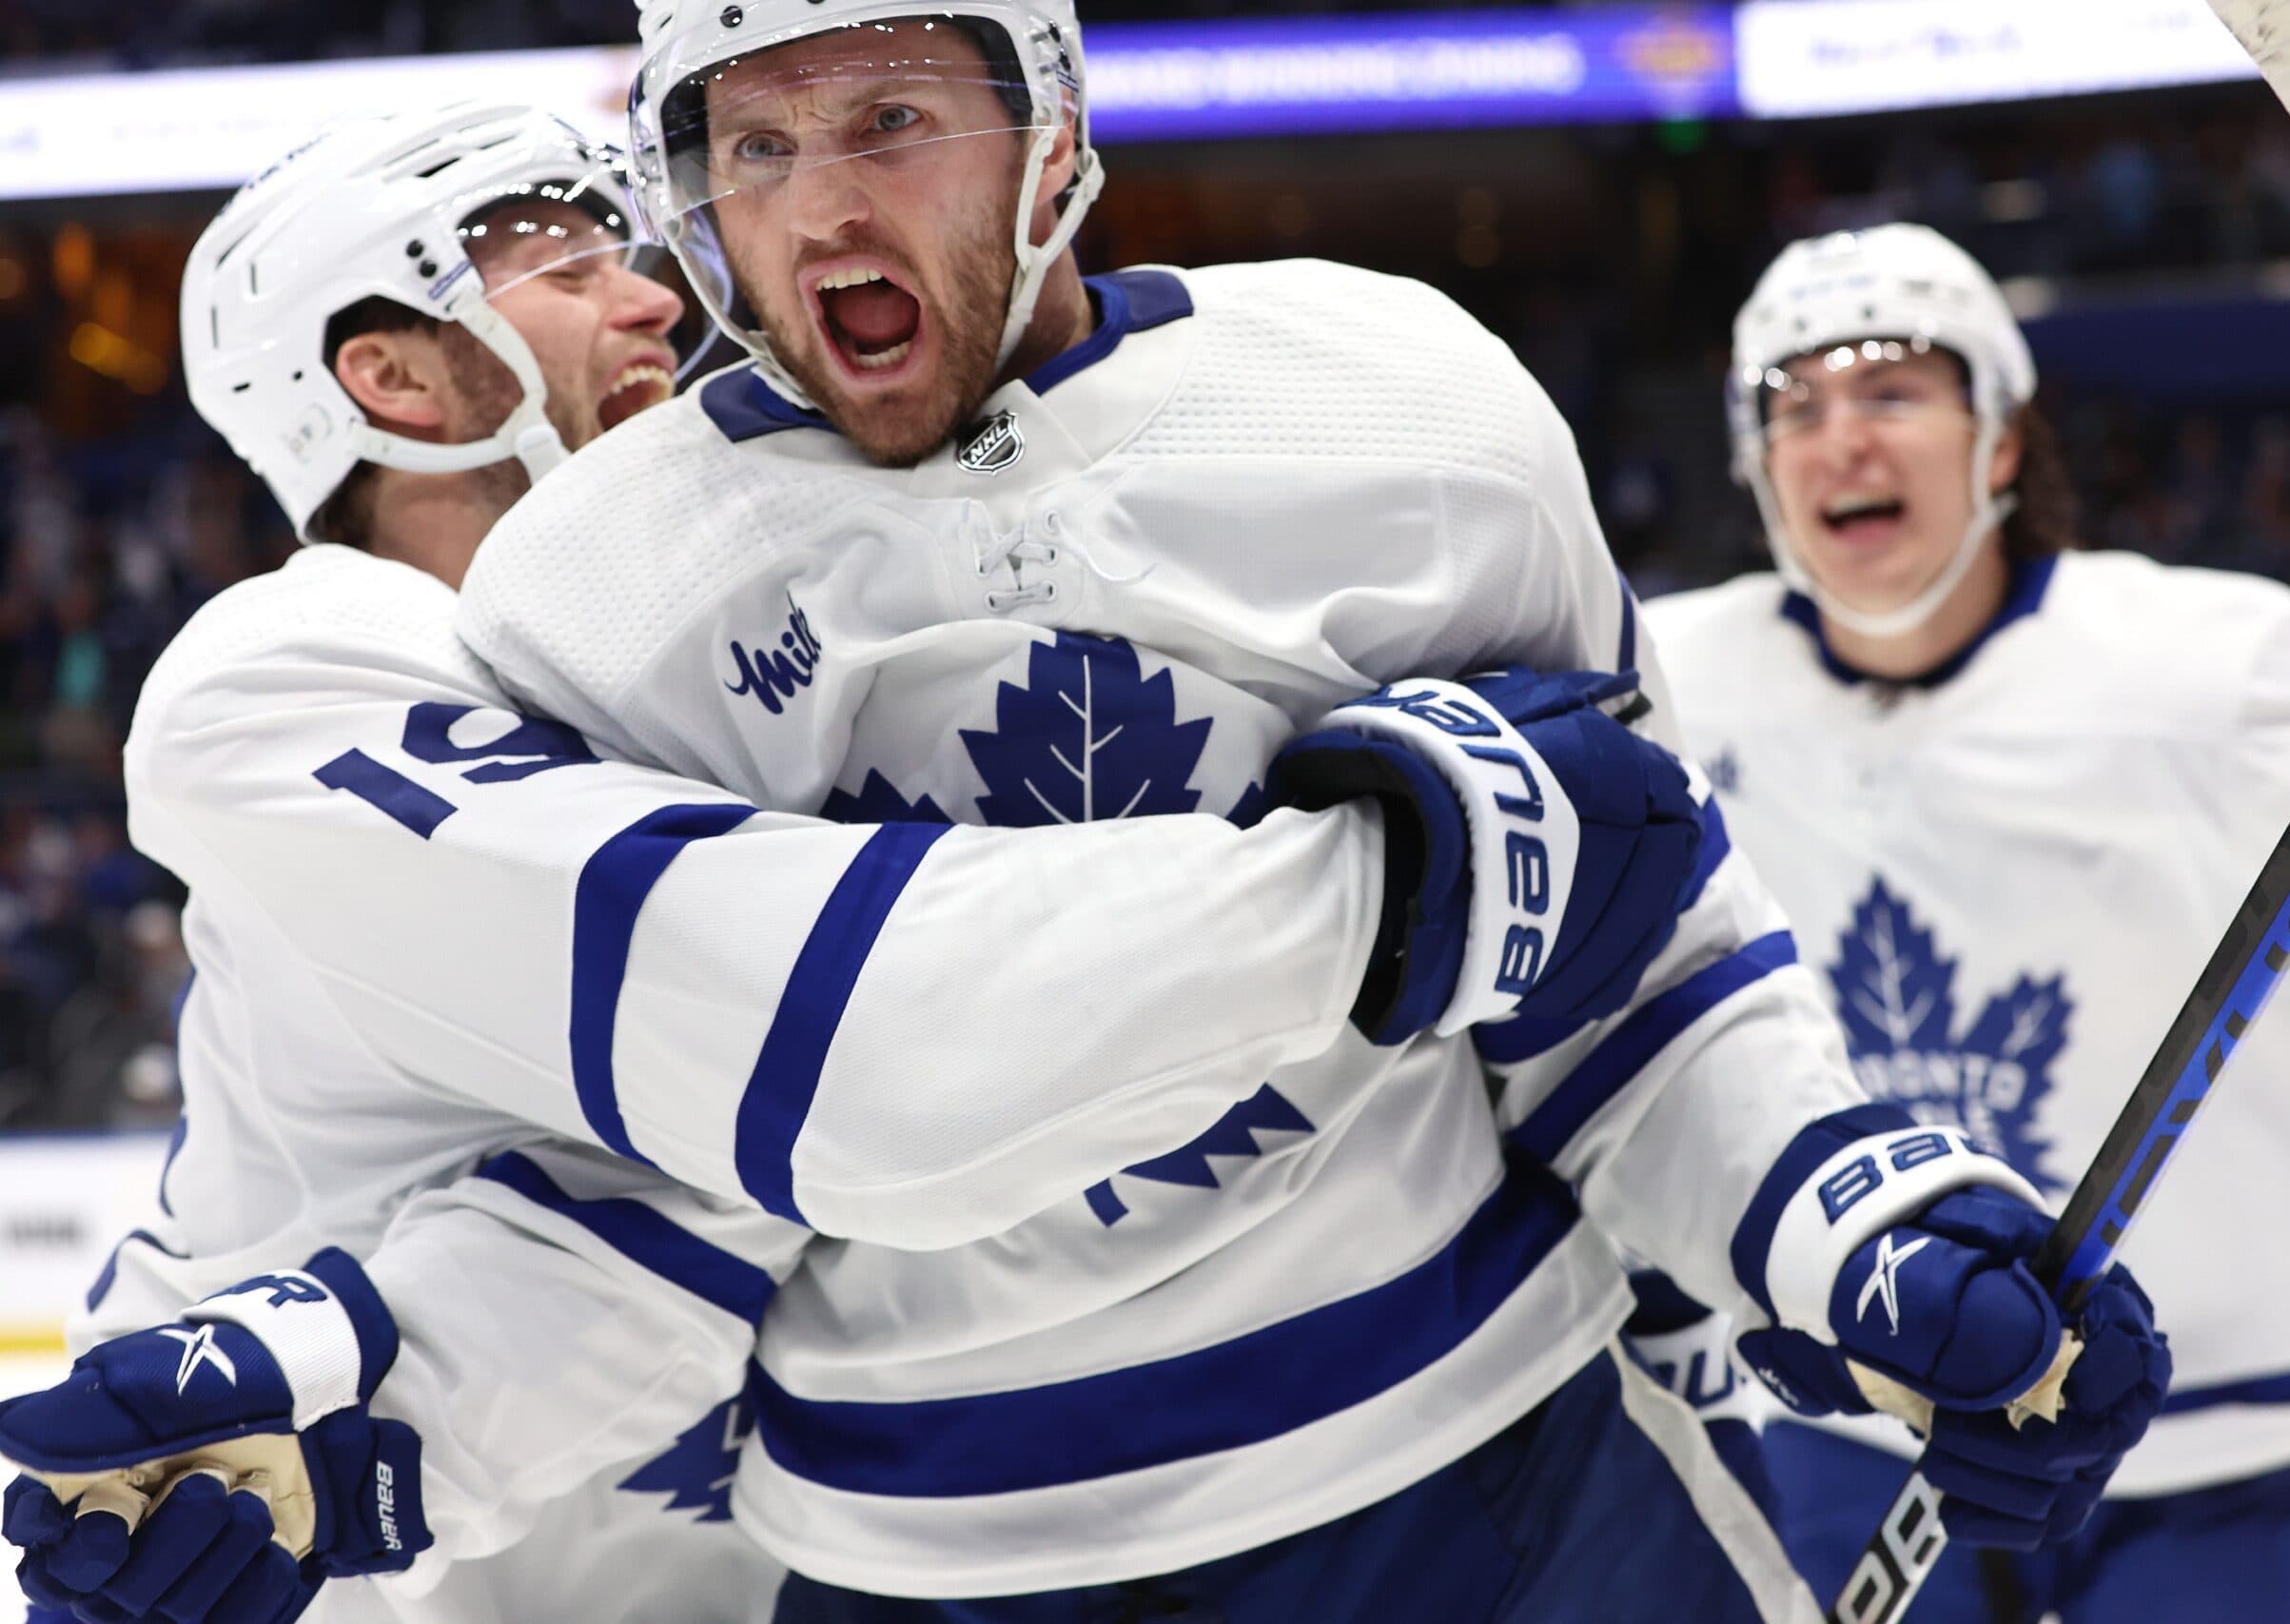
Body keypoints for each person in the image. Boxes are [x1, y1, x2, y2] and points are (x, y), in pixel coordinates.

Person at [8, 27, 2167, 1624]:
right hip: (926, 1570)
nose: (814, 211)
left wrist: (1831, 1214)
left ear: (1050, 127)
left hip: (1493, 1481)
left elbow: (1638, 967)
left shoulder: (1397, 400)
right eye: (749, 145)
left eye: (887, 121)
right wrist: (383, 1426)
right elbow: (660, 1203)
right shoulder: (591, 599)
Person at [0, 97, 1451, 1624]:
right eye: (561, 273)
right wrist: (1410, 868)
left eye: (628, 255)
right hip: (335, 1570)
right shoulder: (295, 670)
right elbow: (836, 1050)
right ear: (389, 376)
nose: (649, 299)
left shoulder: (717, 646)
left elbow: (707, 1182)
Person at [1644, 222, 2290, 1623]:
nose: (1843, 439)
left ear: (2003, 440)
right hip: (1862, 1429)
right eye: (1795, 403)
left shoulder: (2215, 675)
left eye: (1893, 390)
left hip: (2218, 1445)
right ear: (1754, 465)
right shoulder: (1672, 685)